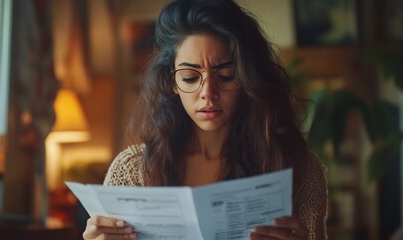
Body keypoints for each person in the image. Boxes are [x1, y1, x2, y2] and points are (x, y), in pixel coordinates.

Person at [83, 0, 328, 239]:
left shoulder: (299, 170)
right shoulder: (133, 171)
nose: (208, 92)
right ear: (172, 83)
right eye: (190, 77)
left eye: (226, 75)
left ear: (246, 77)